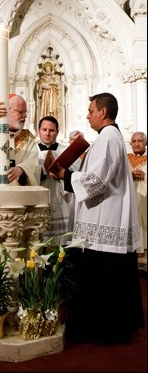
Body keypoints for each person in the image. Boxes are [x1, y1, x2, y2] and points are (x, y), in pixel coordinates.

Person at [55, 92, 144, 343]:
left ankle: (105, 331)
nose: (87, 115)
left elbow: (96, 181)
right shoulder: (110, 137)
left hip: (105, 220)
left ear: (103, 112)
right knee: (111, 282)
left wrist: (64, 175)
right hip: (106, 218)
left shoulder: (107, 138)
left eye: (91, 110)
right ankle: (114, 328)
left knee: (103, 282)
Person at [37, 116, 72, 243]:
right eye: (44, 129)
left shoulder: (66, 150)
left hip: (61, 199)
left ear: (57, 131)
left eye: (51, 130)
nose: (47, 133)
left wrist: (60, 173)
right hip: (39, 198)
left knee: (61, 241)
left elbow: (76, 172)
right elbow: (26, 173)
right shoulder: (31, 150)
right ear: (38, 131)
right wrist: (42, 170)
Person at [127, 132, 147, 267]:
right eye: (134, 141)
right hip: (130, 202)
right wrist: (129, 175)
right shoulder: (125, 159)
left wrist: (145, 176)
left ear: (146, 143)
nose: (137, 143)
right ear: (130, 144)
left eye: (140, 141)